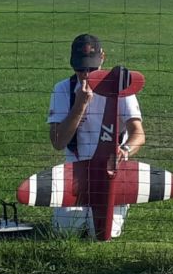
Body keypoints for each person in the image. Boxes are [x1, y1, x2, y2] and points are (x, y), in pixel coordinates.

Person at [47, 34, 146, 237]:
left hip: (110, 173)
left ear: (102, 58)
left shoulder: (120, 87)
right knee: (66, 230)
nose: (85, 75)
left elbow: (138, 133)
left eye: (91, 69)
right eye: (80, 69)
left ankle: (117, 205)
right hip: (76, 171)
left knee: (101, 232)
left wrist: (125, 150)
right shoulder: (63, 89)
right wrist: (80, 105)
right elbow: (58, 142)